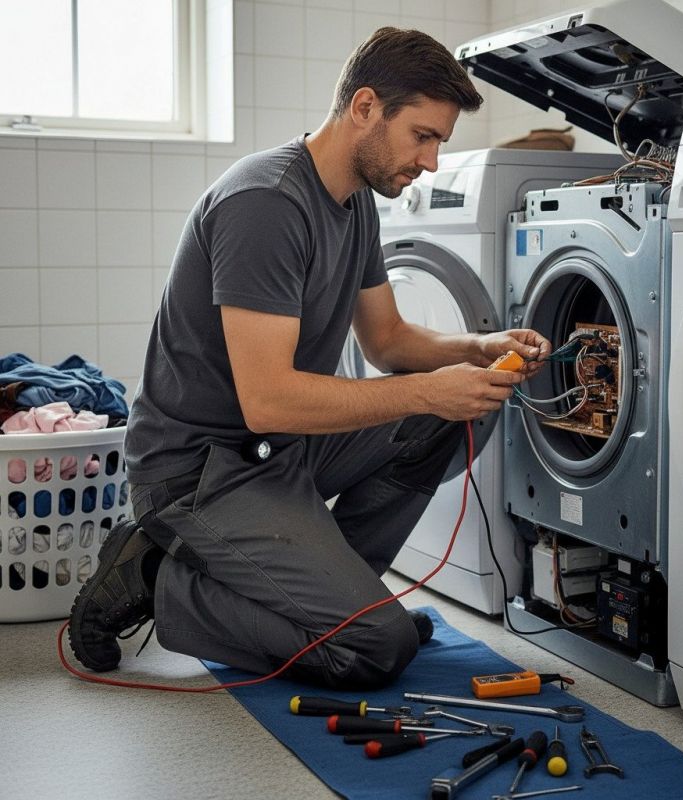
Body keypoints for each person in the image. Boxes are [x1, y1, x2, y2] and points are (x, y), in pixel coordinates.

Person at [68, 27, 551, 689]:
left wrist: (481, 348)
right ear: (365, 107)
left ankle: (339, 602)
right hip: (201, 471)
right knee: (374, 650)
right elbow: (268, 401)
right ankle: (156, 578)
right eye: (423, 136)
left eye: (439, 141)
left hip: (279, 451)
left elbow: (388, 341)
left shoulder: (355, 204)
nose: (432, 161)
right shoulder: (266, 203)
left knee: (448, 415)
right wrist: (428, 389)